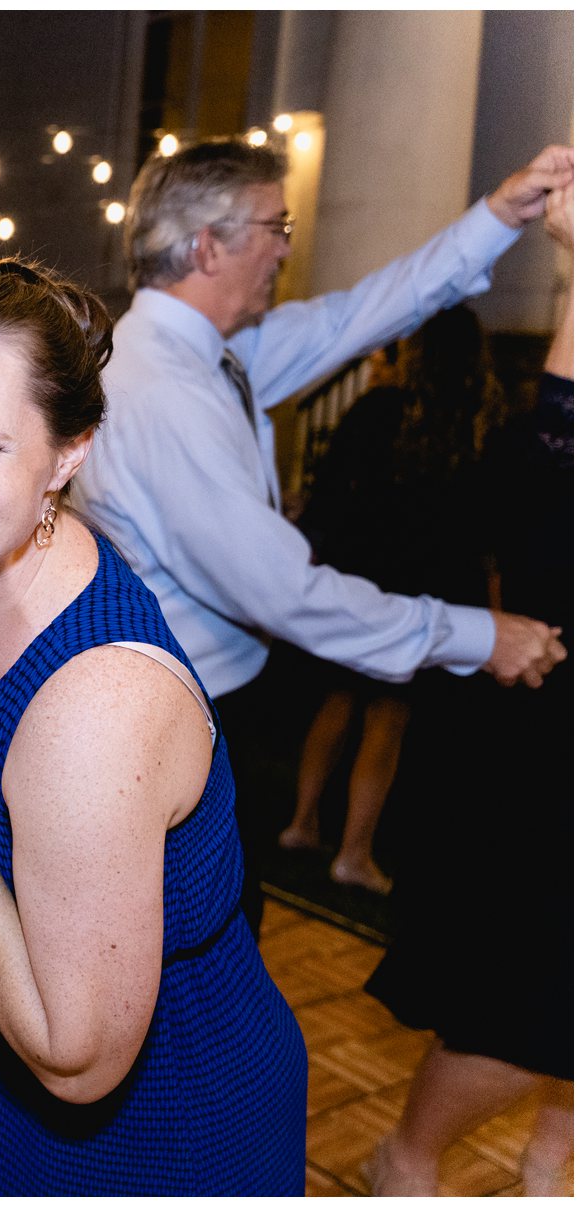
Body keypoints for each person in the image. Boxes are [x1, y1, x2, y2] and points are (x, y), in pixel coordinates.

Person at [0, 257, 306, 1194]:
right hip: (14, 1090)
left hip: (163, 1131)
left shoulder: (92, 705)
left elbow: (77, 1061)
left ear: (69, 451)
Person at [70, 138, 573, 936]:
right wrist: (478, 635)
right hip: (180, 717)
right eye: (276, 226)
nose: (285, 248)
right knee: (196, 975)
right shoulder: (162, 389)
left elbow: (362, 313)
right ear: (209, 245)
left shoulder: (206, 355)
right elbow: (286, 592)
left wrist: (497, 217)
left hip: (203, 706)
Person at [362, 180, 574, 1196]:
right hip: (544, 738)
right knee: (535, 1010)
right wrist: (575, 272)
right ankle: (405, 1156)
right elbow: (549, 459)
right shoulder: (537, 457)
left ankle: (551, 1158)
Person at [280, 306, 506, 894]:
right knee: (387, 718)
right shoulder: (478, 424)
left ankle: (302, 823)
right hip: (424, 584)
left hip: (359, 575)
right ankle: (354, 851)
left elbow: (326, 492)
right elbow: (486, 525)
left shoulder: (376, 409)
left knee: (336, 700)